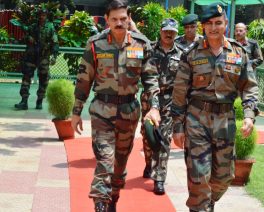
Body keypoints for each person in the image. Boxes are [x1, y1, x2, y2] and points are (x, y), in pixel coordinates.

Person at [70, 1, 161, 212]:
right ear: (106, 19)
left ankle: (113, 199)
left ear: (129, 18)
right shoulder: (95, 44)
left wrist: (154, 107)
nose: (119, 23)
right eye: (114, 19)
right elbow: (84, 79)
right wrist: (76, 112)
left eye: (123, 18)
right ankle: (100, 204)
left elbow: (151, 79)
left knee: (119, 167)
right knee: (105, 160)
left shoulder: (141, 44)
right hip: (102, 111)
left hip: (129, 113)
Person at [171, 2, 259, 212]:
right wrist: (177, 125)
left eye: (218, 23)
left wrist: (249, 115)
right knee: (200, 178)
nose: (213, 28)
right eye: (208, 23)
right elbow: (180, 91)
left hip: (225, 121)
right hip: (196, 119)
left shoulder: (238, 53)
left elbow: (249, 87)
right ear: (203, 26)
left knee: (223, 178)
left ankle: (207, 203)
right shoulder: (191, 54)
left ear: (225, 24)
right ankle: (200, 206)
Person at [140, 18, 182, 195]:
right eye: (166, 30)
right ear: (160, 30)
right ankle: (148, 163)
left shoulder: (182, 54)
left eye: (172, 31)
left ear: (176, 33)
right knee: (148, 138)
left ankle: (159, 178)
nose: (168, 34)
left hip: (169, 101)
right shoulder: (148, 49)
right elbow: (145, 76)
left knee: (165, 140)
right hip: (149, 99)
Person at [14, 8, 58, 110]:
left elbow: (55, 43)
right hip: (31, 56)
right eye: (40, 15)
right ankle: (24, 101)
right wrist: (28, 38)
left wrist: (54, 56)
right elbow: (24, 39)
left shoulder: (50, 27)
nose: (42, 17)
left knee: (43, 79)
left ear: (46, 16)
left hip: (43, 57)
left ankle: (39, 101)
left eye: (44, 15)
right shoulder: (33, 27)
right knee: (26, 78)